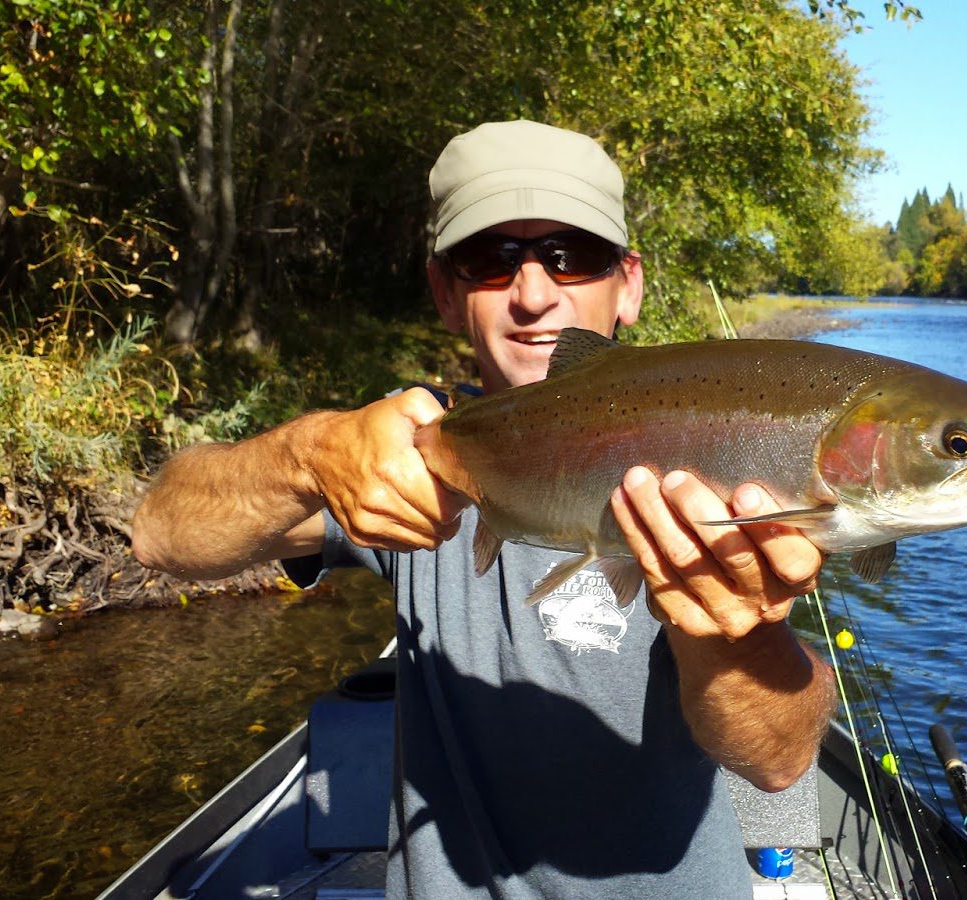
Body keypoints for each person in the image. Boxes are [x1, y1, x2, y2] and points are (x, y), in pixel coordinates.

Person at [132, 119, 836, 898]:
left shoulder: (711, 463)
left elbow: (779, 760)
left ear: (627, 283)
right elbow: (161, 531)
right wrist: (306, 454)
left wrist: (736, 638)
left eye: (571, 257)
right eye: (491, 261)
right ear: (445, 292)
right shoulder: (410, 462)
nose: (534, 295)